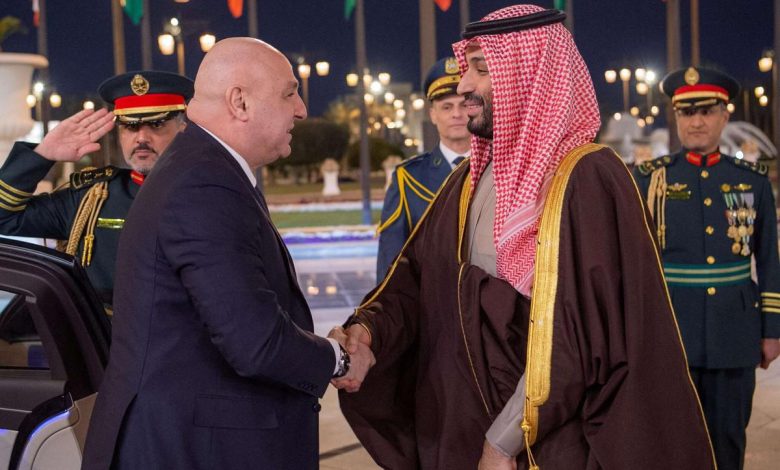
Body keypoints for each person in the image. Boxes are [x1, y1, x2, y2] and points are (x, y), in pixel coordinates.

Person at [334, 5, 715, 469]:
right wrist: (367, 332)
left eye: (481, 69)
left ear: (530, 78)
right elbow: (417, 280)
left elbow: (579, 336)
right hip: (466, 429)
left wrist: (504, 441)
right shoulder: (467, 180)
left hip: (543, 446)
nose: (464, 85)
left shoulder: (586, 179)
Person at [80, 37, 373, 469]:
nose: (301, 110)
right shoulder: (204, 183)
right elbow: (255, 342)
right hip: (187, 451)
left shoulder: (206, 169)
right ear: (240, 102)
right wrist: (339, 359)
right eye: (289, 93)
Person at [634, 66, 780, 470]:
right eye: (687, 112)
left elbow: (769, 259)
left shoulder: (752, 181)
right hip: (671, 331)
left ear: (724, 115)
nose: (696, 121)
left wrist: (771, 329)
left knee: (728, 439)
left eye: (707, 111)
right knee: (671, 439)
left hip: (734, 332)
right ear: (676, 117)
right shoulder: (651, 179)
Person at [0, 71, 192, 303]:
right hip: (104, 326)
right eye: (130, 126)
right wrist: (42, 155)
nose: (142, 138)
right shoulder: (90, 199)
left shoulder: (210, 194)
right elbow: (4, 217)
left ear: (183, 130)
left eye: (156, 124)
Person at [375, 57, 471, 281]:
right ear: (433, 115)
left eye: (464, 105)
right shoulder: (408, 179)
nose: (456, 114)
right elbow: (391, 261)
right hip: (432, 299)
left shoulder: (498, 171)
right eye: (446, 107)